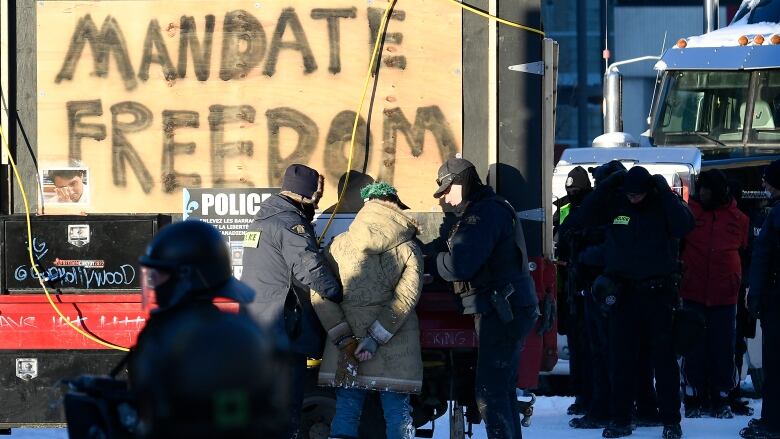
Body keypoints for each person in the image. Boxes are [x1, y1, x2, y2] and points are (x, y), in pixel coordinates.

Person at [129, 220, 289, 438]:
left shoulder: (207, 336)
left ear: (186, 275)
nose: (154, 283)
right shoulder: (233, 329)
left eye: (160, 274)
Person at [577, 165, 694, 439]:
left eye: (637, 195)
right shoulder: (616, 203)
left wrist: (665, 193)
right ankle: (620, 419)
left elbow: (685, 225)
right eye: (629, 195)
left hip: (658, 296)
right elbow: (584, 217)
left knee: (664, 363)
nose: (633, 199)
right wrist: (605, 186)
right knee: (621, 362)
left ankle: (670, 420)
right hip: (624, 296)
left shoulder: (663, 205)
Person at [430, 157, 539, 439]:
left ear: (462, 183)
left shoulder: (484, 214)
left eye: (447, 191)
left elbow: (459, 266)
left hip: (502, 310)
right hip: (505, 308)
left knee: (491, 393)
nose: (445, 200)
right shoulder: (485, 210)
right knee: (499, 390)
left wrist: (430, 261)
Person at [312, 181, 423, 439]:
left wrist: (344, 338)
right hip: (396, 344)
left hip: (348, 348)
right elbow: (406, 297)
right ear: (394, 206)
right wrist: (375, 338)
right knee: (397, 414)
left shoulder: (337, 246)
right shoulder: (409, 248)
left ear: (366, 207)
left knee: (347, 410)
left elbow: (319, 291)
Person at [241, 164, 343, 439]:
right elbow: (309, 268)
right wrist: (336, 292)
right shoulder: (289, 224)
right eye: (316, 197)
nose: (317, 203)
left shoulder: (261, 221)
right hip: (283, 330)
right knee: (285, 407)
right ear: (306, 195)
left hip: (257, 329)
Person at [679, 169, 748, 419]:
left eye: (708, 189)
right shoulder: (688, 214)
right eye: (702, 188)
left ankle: (721, 396)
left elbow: (744, 250)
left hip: (724, 294)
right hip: (694, 291)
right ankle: (693, 395)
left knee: (722, 347)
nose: (703, 193)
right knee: (693, 346)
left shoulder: (738, 218)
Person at [741, 160, 780, 439]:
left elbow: (763, 258)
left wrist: (755, 296)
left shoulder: (775, 215)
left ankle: (772, 421)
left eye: (767, 180)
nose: (763, 184)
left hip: (775, 299)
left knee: (774, 363)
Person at [554, 166, 594, 416]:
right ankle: (581, 395)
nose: (572, 193)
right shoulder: (563, 209)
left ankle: (589, 396)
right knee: (578, 348)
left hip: (586, 287)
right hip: (568, 289)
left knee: (589, 348)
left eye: (576, 189)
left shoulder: (593, 209)